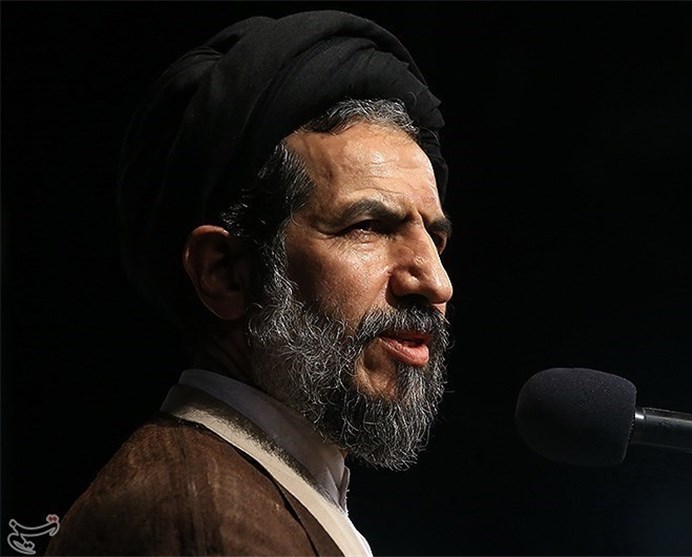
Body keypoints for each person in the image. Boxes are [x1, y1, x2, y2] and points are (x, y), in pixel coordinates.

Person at [45, 9, 453, 556]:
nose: (436, 282)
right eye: (368, 227)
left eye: (435, 238)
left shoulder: (274, 486)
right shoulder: (203, 524)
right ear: (225, 273)